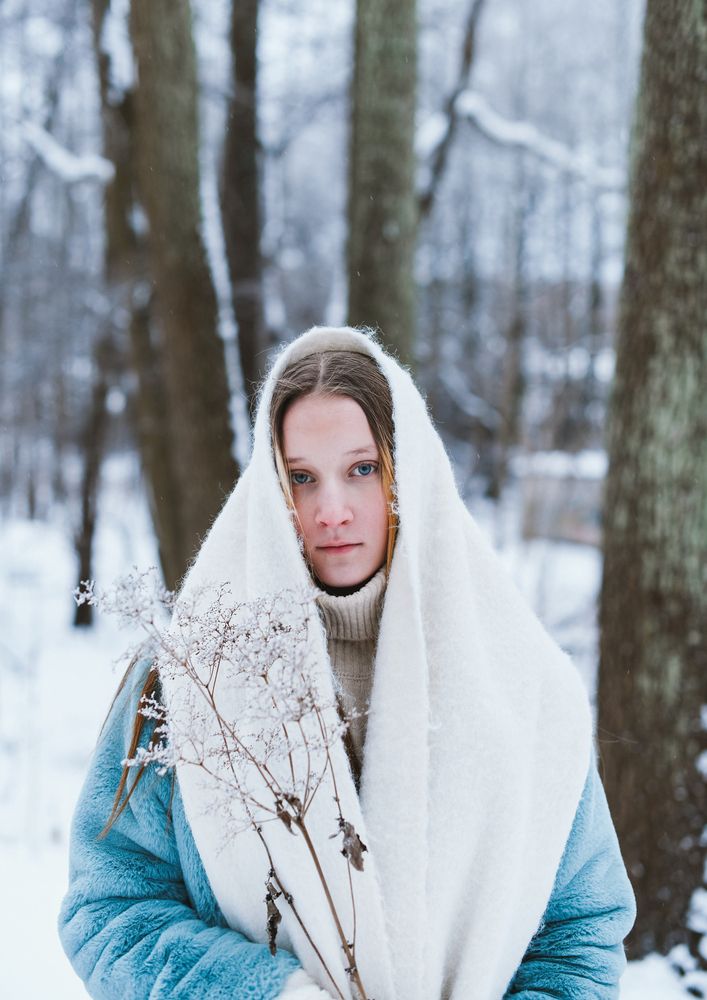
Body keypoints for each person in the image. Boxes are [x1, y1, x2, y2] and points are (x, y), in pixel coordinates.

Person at [58, 325, 636, 1000]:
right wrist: (271, 996)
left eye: (362, 469)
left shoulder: (527, 686)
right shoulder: (190, 677)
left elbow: (580, 932)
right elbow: (109, 908)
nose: (330, 511)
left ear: (407, 470)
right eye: (301, 478)